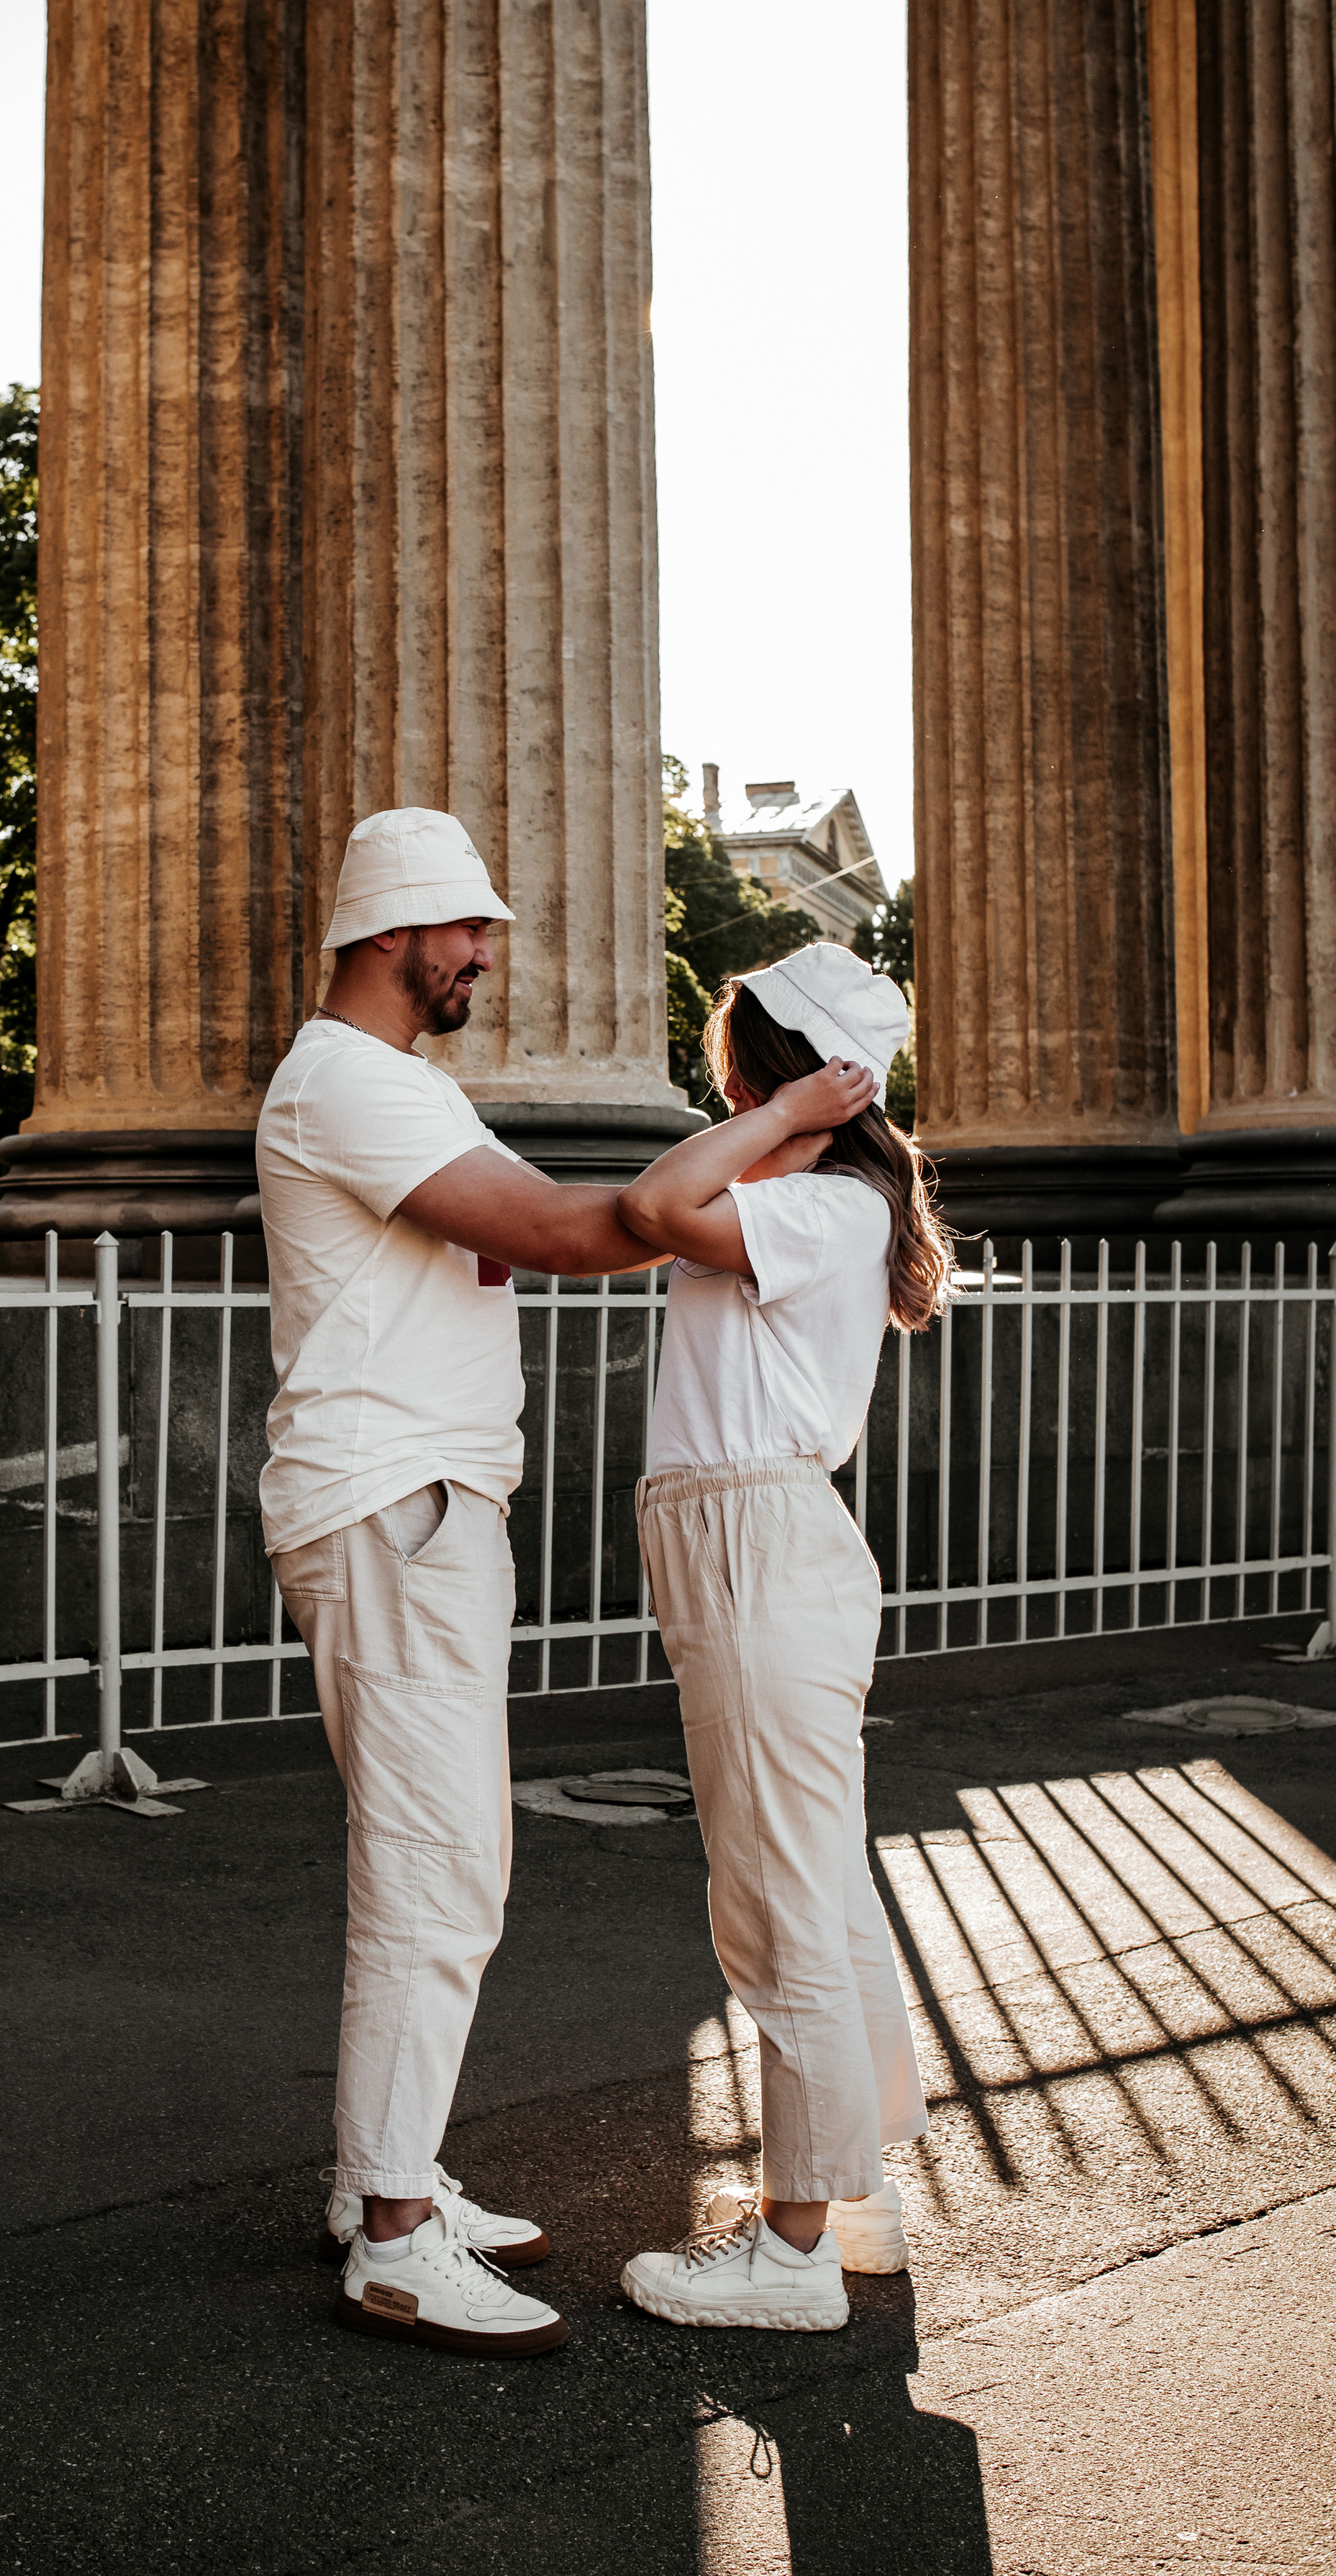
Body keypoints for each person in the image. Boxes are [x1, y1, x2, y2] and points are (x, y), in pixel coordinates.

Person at [257, 810, 882, 2361]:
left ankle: (383, 2184)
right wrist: (760, 1135)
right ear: (398, 931)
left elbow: (610, 1219)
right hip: (394, 1501)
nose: (482, 957)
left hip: (427, 1500)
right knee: (438, 1869)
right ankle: (395, 2236)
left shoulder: (396, 1084)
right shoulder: (347, 1078)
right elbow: (552, 1228)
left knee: (446, 1863)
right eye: (467, 932)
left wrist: (748, 1151)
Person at [610, 942, 952, 2334]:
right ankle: (846, 2195)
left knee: (775, 1905)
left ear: (796, 1081)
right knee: (812, 1883)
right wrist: (793, 1115)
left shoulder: (815, 1206)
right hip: (751, 1556)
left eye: (740, 1069)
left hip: (760, 1559)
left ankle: (792, 2245)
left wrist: (790, 1109)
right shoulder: (808, 1200)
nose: (727, 1088)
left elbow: (648, 1200)